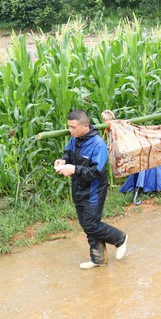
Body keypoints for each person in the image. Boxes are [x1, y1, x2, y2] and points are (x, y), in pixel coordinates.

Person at [54, 109, 128, 269]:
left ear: (85, 126)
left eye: (73, 127)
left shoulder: (97, 145)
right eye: (69, 126)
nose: (69, 130)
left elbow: (96, 172)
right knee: (86, 224)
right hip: (78, 188)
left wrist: (73, 169)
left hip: (93, 191)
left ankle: (120, 238)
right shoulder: (75, 139)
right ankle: (98, 258)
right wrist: (63, 160)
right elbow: (68, 152)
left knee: (91, 225)